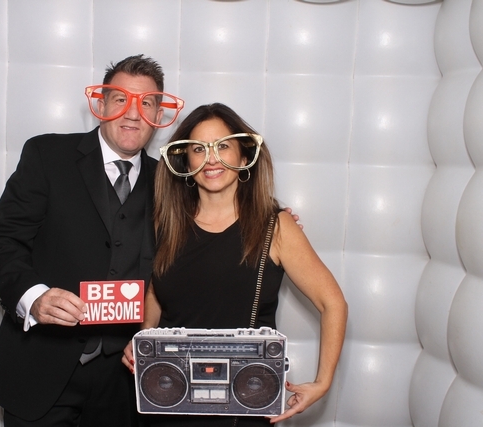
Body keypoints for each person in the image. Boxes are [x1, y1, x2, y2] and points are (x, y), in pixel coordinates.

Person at [0, 54, 184, 426]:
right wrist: (34, 298)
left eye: (146, 103)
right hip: (41, 369)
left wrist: (273, 219)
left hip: (126, 380)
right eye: (121, 99)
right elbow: (3, 241)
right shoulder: (47, 155)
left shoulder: (171, 183)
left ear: (158, 114)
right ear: (101, 105)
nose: (133, 113)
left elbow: (207, 232)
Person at [123, 103, 348, 426]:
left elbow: (333, 303)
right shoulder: (166, 224)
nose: (211, 158)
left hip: (243, 405)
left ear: (244, 158)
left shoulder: (276, 227)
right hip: (170, 401)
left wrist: (323, 382)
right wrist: (143, 341)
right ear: (186, 162)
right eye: (199, 149)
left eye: (223, 146)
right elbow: (159, 292)